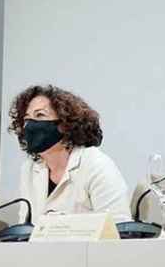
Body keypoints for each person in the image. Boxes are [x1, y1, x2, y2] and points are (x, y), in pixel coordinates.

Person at [8, 85, 130, 223]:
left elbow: (118, 227)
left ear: (65, 124)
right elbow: (26, 229)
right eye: (26, 119)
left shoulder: (95, 164)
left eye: (40, 115)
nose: (29, 126)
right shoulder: (29, 169)